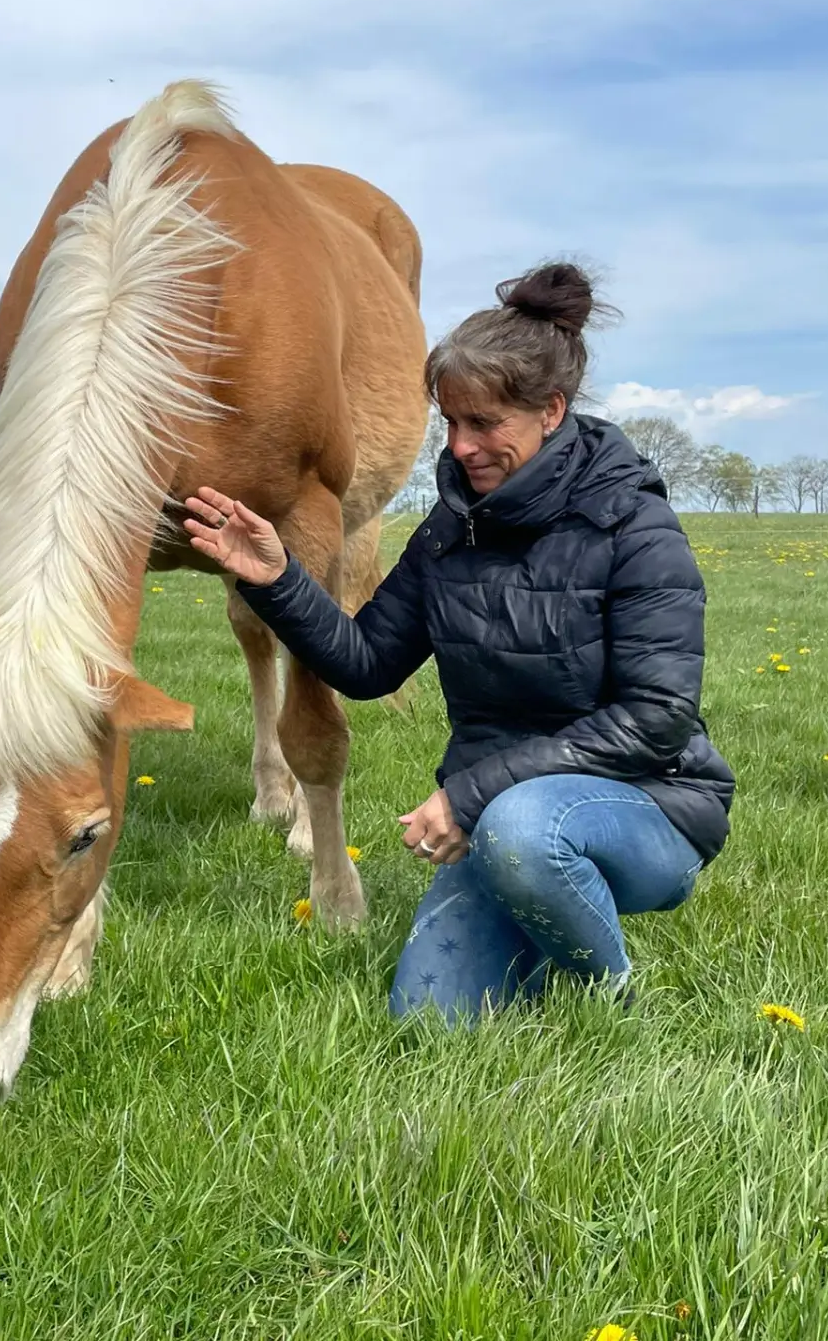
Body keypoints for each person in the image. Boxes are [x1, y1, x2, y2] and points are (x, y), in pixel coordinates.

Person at [184, 262, 735, 1022]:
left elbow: (657, 718)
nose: (461, 446)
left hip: (647, 807)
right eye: (449, 422)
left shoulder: (633, 530)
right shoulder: (449, 533)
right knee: (427, 1016)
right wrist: (275, 581)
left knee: (525, 831)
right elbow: (366, 664)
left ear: (550, 411)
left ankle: (610, 1005)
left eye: (483, 424)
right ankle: (541, 931)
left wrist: (470, 797)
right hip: (500, 820)